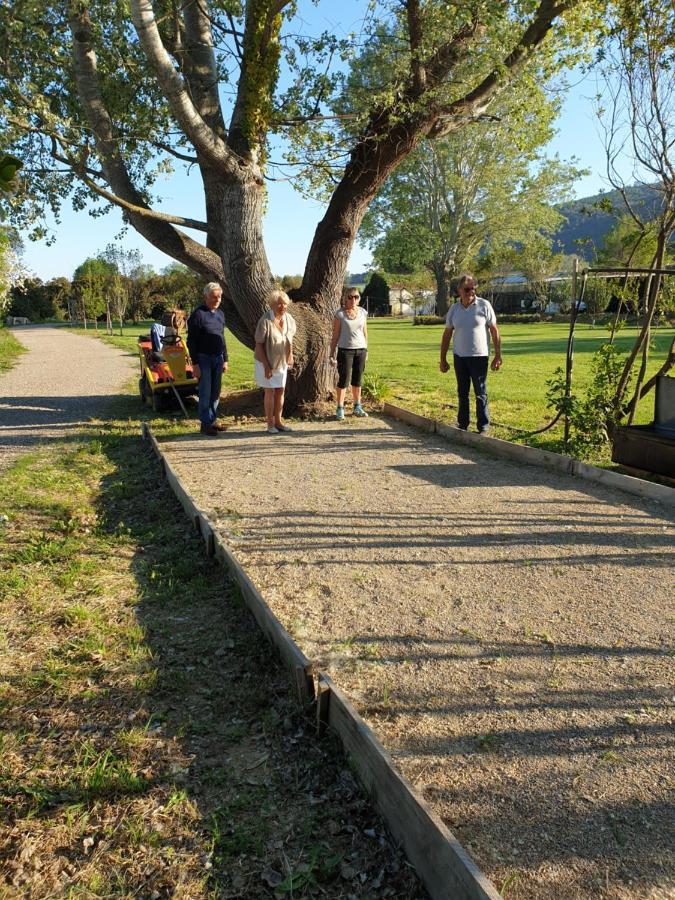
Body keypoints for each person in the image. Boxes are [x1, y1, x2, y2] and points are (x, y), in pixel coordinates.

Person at [439, 273, 502, 433]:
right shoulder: (454, 309)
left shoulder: (484, 305)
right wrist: (443, 359)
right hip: (460, 357)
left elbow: (494, 331)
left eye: (473, 289)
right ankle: (462, 424)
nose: (471, 292)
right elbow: (447, 335)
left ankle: (483, 426)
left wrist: (498, 355)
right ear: (459, 290)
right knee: (462, 392)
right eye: (467, 289)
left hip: (479, 356)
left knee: (480, 392)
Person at [187, 282, 229, 436]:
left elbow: (222, 338)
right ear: (206, 297)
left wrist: (225, 359)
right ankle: (205, 424)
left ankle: (212, 420)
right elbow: (191, 341)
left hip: (218, 358)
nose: (217, 299)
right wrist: (195, 364)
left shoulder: (220, 314)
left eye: (219, 297)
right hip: (203, 359)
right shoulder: (198, 314)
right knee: (205, 392)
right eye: (214, 297)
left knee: (216, 392)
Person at [254, 290, 297, 434]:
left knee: (281, 390)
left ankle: (279, 422)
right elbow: (259, 345)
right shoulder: (265, 320)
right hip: (266, 361)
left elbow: (290, 339)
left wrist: (290, 355)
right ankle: (270, 424)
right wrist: (266, 367)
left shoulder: (289, 319)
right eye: (279, 304)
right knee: (270, 391)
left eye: (285, 304)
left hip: (282, 362)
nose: (282, 306)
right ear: (272, 305)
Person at [329, 286, 369, 420]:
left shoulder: (363, 312)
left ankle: (357, 406)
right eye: (350, 297)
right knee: (344, 380)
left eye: (356, 297)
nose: (353, 300)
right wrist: (331, 354)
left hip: (361, 349)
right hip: (345, 350)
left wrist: (366, 349)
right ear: (345, 298)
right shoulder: (340, 314)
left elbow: (365, 332)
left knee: (358, 380)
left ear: (359, 298)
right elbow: (335, 335)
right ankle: (340, 408)